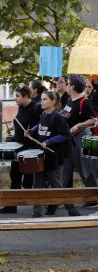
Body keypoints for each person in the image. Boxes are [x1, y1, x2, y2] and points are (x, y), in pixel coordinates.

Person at [0, 85, 42, 214]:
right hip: (18, 146)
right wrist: (12, 127)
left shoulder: (36, 108)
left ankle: (45, 204)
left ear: (26, 97)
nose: (15, 99)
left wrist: (31, 131)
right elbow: (18, 120)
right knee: (15, 175)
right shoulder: (21, 107)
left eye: (17, 96)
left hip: (30, 148)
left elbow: (43, 123)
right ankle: (12, 205)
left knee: (30, 179)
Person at [26, 91, 71, 217]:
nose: (42, 101)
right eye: (41, 99)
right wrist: (31, 131)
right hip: (41, 156)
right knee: (38, 185)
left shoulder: (58, 117)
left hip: (54, 156)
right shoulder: (44, 114)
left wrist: (49, 141)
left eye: (45, 99)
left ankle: (71, 208)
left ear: (53, 101)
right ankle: (37, 212)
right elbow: (40, 126)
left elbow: (65, 134)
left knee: (57, 186)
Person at [59, 74, 97, 211]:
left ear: (73, 86)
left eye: (67, 83)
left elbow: (94, 120)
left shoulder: (84, 102)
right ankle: (63, 198)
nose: (66, 86)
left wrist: (79, 125)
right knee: (65, 169)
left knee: (84, 169)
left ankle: (94, 196)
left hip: (78, 140)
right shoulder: (69, 99)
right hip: (67, 140)